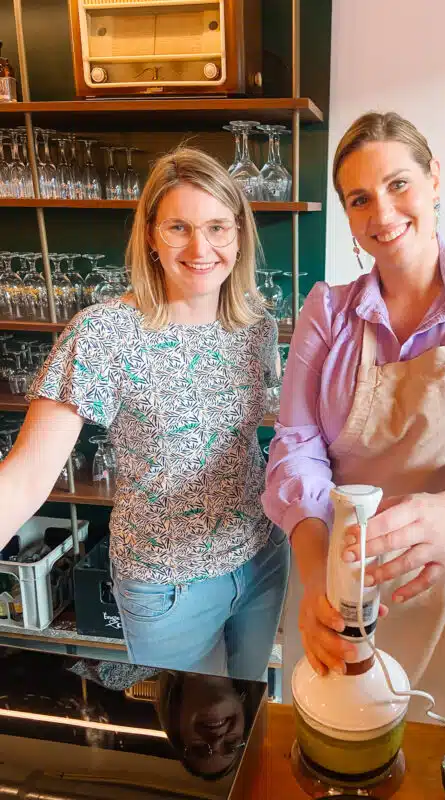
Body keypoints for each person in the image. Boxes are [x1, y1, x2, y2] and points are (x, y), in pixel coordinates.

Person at [262, 112, 445, 730]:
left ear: (434, 180)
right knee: (331, 751)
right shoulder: (328, 311)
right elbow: (296, 451)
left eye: (398, 184)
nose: (382, 212)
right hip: (341, 585)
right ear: (348, 215)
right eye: (359, 199)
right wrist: (319, 580)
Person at [0, 147, 290, 681]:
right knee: (190, 725)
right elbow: (25, 477)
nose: (201, 248)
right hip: (167, 583)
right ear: (151, 236)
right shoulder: (103, 332)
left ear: (239, 236)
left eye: (218, 228)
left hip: (261, 556)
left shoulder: (256, 325)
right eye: (179, 227)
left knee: (248, 706)